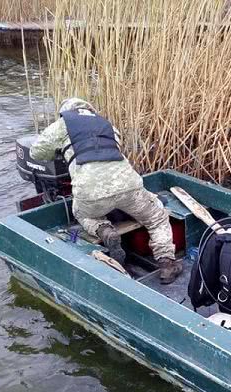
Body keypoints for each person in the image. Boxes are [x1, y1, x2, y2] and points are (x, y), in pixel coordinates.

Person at [30, 97, 182, 284]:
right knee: (156, 217)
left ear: (65, 112)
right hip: (128, 186)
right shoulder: (107, 124)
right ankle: (167, 264)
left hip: (91, 193)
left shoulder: (62, 125)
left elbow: (36, 153)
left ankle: (104, 230)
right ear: (90, 110)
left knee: (82, 214)